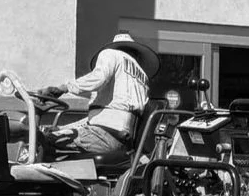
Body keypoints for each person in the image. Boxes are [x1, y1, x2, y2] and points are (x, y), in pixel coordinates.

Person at [34, 31, 159, 160]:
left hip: (103, 137)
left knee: (41, 140)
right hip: (123, 143)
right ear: (135, 54)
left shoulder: (112, 54)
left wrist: (63, 88)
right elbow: (99, 120)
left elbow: (98, 78)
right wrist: (62, 128)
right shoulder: (142, 78)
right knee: (53, 136)